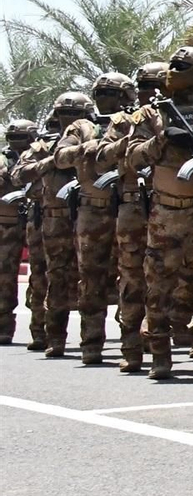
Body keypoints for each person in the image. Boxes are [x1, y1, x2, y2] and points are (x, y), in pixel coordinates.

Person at [125, 47, 193, 380]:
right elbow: (132, 157)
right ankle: (159, 354)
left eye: (182, 67)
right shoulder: (152, 114)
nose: (173, 72)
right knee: (158, 284)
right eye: (172, 67)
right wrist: (162, 140)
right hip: (168, 208)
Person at [56, 73, 137, 365]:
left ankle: (132, 346)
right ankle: (91, 344)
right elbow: (60, 157)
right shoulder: (82, 126)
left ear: (126, 96)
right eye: (100, 92)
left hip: (130, 206)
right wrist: (84, 148)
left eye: (111, 92)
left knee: (132, 278)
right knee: (91, 279)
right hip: (94, 209)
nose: (105, 97)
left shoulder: (135, 121)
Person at [94, 63, 166, 373]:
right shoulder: (125, 121)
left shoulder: (173, 114)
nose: (150, 91)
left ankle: (179, 336)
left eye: (156, 84)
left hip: (171, 204)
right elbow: (101, 157)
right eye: (145, 85)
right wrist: (132, 140)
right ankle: (132, 348)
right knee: (132, 278)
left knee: (171, 275)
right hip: (134, 204)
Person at [16, 92, 93, 357]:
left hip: (94, 215)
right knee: (55, 277)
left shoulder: (97, 138)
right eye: (64, 114)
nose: (69, 119)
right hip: (55, 219)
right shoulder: (42, 146)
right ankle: (53, 337)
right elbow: (19, 174)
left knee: (94, 279)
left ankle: (92, 343)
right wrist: (54, 161)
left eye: (75, 114)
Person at [0, 119, 43, 347]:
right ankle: (3, 328)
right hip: (8, 224)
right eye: (14, 139)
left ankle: (40, 330)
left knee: (40, 276)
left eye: (23, 139)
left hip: (37, 220)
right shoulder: (4, 159)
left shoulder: (40, 154)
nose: (18, 143)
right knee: (4, 277)